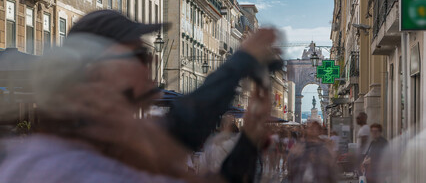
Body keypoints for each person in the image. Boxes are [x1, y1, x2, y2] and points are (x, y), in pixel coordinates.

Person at [0, 10, 278, 183]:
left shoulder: (111, 143)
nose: (151, 64)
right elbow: (181, 129)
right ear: (96, 71)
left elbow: (180, 130)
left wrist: (250, 138)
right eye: (140, 56)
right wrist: (238, 64)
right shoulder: (61, 166)